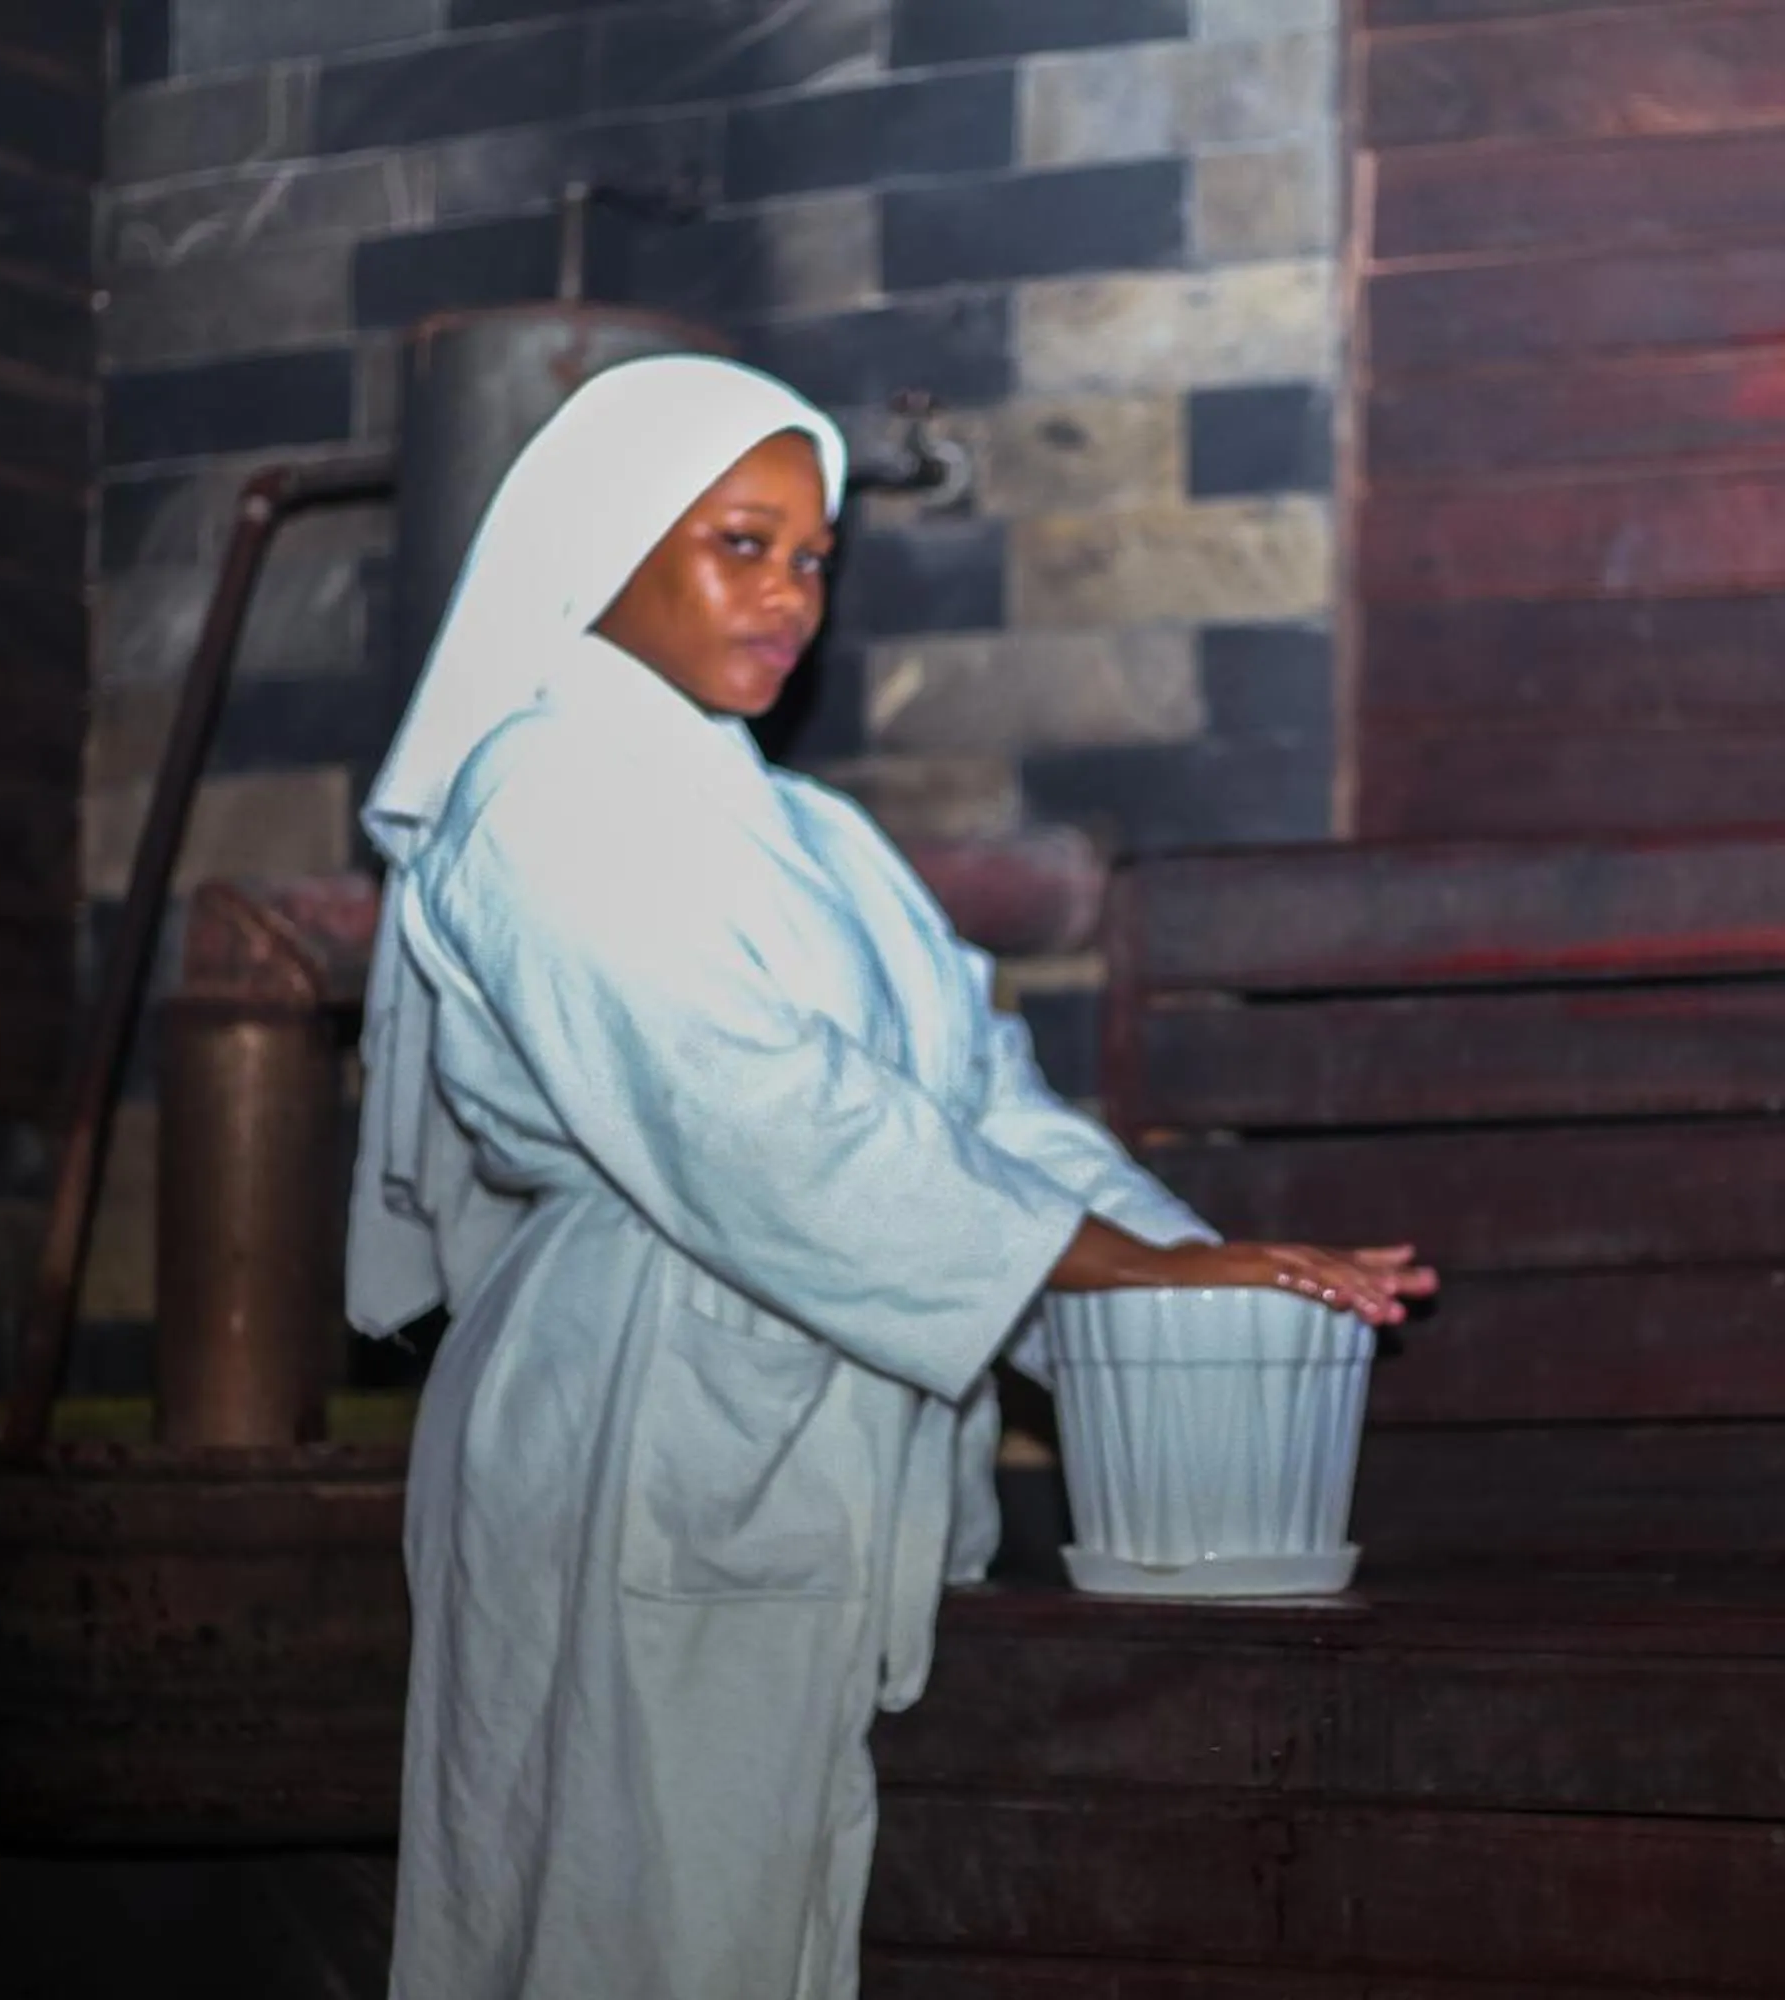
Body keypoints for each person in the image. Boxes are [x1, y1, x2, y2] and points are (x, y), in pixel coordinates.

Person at [345, 351, 1435, 2000]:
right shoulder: (546, 790)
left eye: (812, 558)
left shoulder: (823, 842)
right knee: (636, 1917)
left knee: (769, 1910)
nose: (788, 593)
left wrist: (1197, 1267)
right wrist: (1105, 1268)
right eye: (740, 543)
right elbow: (755, 1118)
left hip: (809, 1422)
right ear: (612, 539)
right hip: (641, 1423)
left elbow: (982, 1102)